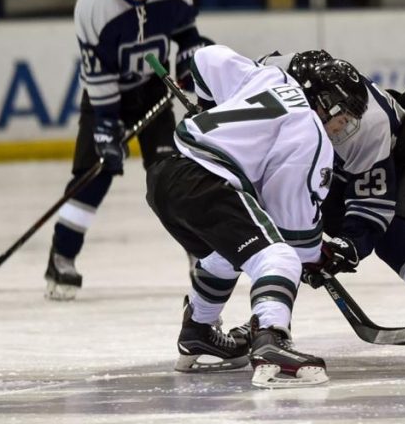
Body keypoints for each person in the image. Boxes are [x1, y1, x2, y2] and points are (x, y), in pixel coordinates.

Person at [145, 43, 368, 388]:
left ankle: (198, 331)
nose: (341, 128)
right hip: (205, 179)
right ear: (326, 103)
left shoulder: (271, 77)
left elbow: (205, 58)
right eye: (343, 118)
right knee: (278, 257)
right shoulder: (310, 133)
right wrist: (316, 254)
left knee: (226, 254)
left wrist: (207, 106)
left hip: (165, 175)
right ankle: (271, 340)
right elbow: (292, 231)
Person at [263, 50, 405, 367]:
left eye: (347, 120)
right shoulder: (274, 76)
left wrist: (346, 248)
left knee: (393, 235)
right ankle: (266, 323)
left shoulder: (368, 128)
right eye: (340, 118)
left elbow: (371, 208)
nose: (344, 127)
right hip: (348, 168)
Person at [45, 0, 207, 301]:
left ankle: (199, 254)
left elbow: (186, 38)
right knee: (92, 177)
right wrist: (105, 126)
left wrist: (188, 69)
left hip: (153, 89)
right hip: (108, 96)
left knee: (173, 176)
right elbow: (96, 73)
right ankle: (61, 257)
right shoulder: (93, 6)